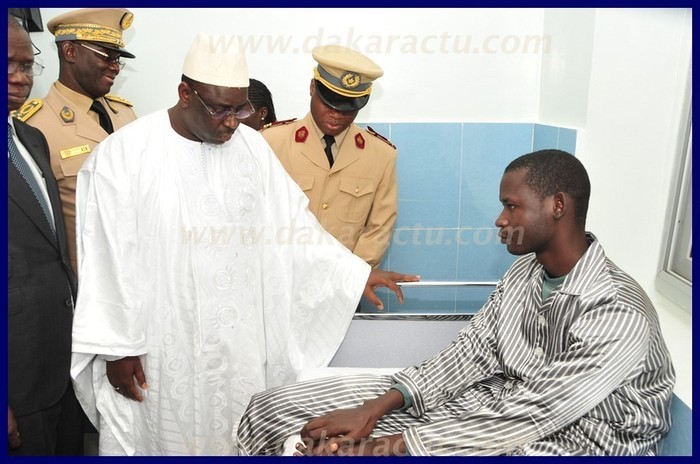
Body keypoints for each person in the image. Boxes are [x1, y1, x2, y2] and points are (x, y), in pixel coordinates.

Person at [70, 32, 418, 456]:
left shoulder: (252, 148)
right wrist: (117, 349)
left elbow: (294, 227)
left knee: (236, 433)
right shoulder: (125, 155)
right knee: (158, 437)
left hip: (238, 348)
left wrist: (354, 273)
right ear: (185, 93)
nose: (233, 121)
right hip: (160, 346)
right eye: (220, 109)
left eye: (240, 109)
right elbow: (106, 257)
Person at [237, 149, 676, 456]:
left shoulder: (617, 311)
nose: (500, 220)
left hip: (577, 440)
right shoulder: (525, 273)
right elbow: (471, 353)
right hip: (499, 402)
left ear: (557, 206)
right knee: (276, 409)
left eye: (511, 206)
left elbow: (531, 416)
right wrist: (374, 410)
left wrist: (379, 449)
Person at [7, 16, 84, 455]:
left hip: (60, 365)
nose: (20, 78)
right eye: (8, 65)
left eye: (27, 65)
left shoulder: (31, 138)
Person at [15, 8, 137, 273]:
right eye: (107, 55)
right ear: (70, 52)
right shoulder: (32, 125)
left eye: (119, 58)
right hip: (82, 282)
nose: (115, 66)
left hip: (137, 271)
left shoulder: (126, 114)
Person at [262, 45, 397, 268]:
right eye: (329, 102)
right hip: (282, 281)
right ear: (312, 87)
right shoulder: (271, 143)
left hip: (344, 288)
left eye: (347, 107)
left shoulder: (381, 156)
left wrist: (348, 279)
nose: (336, 114)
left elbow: (378, 228)